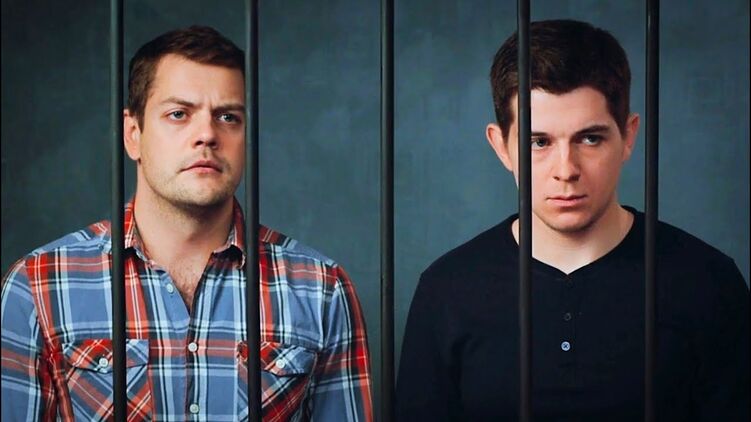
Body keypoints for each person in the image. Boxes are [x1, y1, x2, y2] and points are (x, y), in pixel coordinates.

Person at [1, 25, 372, 421]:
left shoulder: (321, 288)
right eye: (178, 114)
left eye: (228, 117)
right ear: (133, 134)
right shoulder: (37, 286)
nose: (207, 134)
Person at [396, 19, 749, 421]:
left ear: (629, 136)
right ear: (501, 146)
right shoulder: (447, 289)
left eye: (590, 138)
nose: (566, 170)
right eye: (539, 142)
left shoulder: (708, 283)